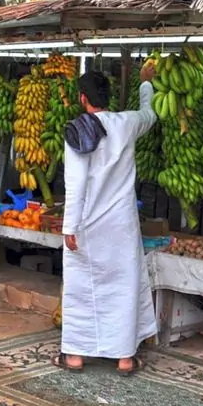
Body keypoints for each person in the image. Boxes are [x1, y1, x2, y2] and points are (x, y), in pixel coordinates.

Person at [57, 65, 159, 376]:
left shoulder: (77, 130)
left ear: (82, 97)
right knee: (123, 287)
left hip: (87, 224)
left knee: (81, 288)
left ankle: (75, 355)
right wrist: (145, 85)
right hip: (121, 225)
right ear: (109, 97)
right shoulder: (127, 123)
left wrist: (69, 227)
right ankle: (125, 358)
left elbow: (75, 184)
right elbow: (149, 115)